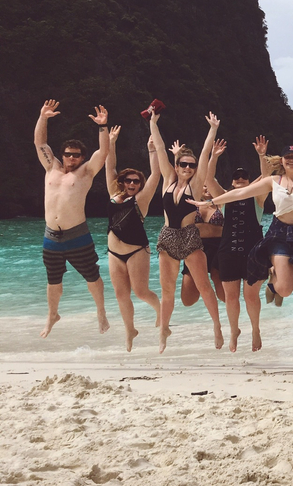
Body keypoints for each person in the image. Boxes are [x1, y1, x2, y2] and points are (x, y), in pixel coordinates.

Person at [201, 110, 293, 312]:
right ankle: (274, 277)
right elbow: (239, 194)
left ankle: (285, 269)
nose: (292, 160)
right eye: (288, 157)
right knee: (285, 290)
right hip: (280, 234)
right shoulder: (273, 181)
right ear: (282, 160)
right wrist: (211, 202)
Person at [34, 100, 110, 338]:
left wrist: (103, 126)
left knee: (92, 276)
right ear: (62, 155)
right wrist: (43, 117)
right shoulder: (51, 168)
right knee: (53, 280)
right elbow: (40, 142)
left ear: (82, 158)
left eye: (77, 155)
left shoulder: (86, 173)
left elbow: (103, 152)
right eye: (68, 154)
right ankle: (52, 316)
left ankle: (101, 313)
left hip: (77, 235)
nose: (72, 158)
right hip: (51, 236)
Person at [150, 110, 221, 352]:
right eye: (183, 164)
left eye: (191, 165)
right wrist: (152, 123)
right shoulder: (168, 179)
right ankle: (163, 331)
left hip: (190, 236)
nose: (188, 168)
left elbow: (203, 154)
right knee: (167, 290)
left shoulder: (196, 184)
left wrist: (212, 129)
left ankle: (217, 326)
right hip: (168, 237)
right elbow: (160, 149)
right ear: (177, 165)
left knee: (204, 286)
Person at [205, 138, 269, 352]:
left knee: (251, 295)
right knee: (231, 297)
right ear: (232, 182)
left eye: (244, 177)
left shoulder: (258, 198)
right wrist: (214, 156)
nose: (240, 179)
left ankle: (256, 329)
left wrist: (261, 155)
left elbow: (267, 177)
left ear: (250, 181)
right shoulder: (224, 198)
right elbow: (208, 178)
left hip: (254, 253)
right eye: (237, 177)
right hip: (228, 252)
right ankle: (234, 331)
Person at [104, 123, 162, 351]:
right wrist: (111, 142)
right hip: (113, 252)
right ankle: (130, 330)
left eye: (135, 181)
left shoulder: (142, 200)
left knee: (140, 291)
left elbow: (156, 174)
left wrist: (152, 150)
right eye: (127, 181)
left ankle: (159, 309)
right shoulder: (113, 194)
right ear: (122, 182)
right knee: (121, 294)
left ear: (140, 184)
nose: (131, 184)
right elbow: (110, 167)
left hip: (136, 250)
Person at [180, 184, 225, 308]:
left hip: (219, 247)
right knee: (188, 300)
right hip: (195, 247)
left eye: (209, 184)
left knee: (225, 296)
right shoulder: (190, 206)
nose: (207, 188)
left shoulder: (223, 203)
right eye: (203, 186)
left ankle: (232, 321)